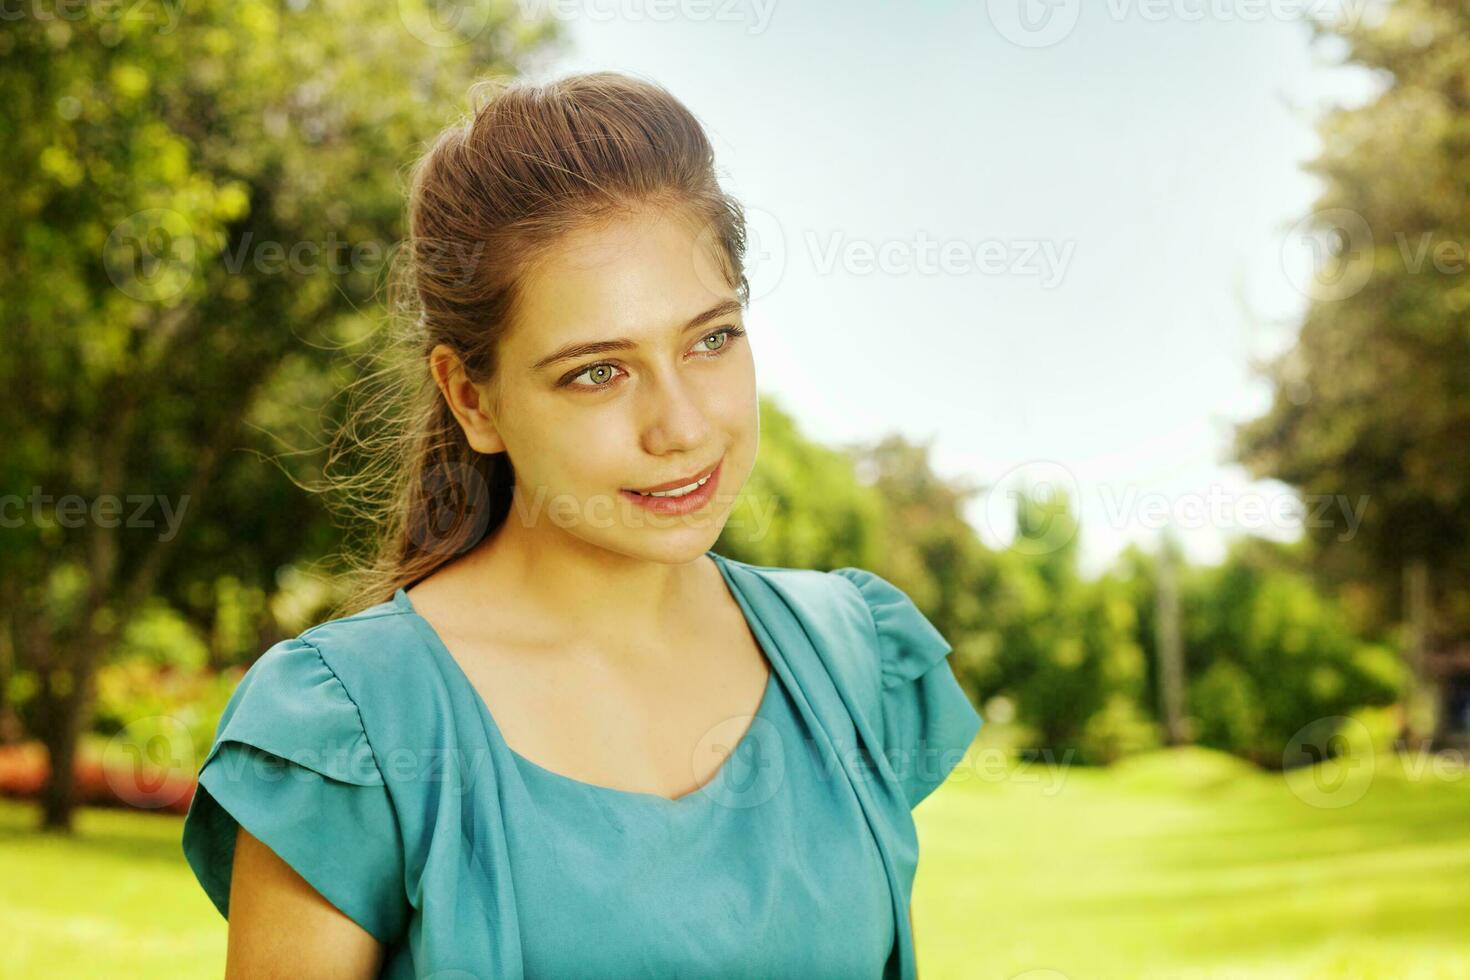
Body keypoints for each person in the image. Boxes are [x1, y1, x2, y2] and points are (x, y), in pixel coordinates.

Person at [180, 70, 983, 979]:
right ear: (472, 398)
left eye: (710, 339)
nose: (681, 427)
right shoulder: (350, 729)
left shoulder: (849, 659)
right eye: (598, 371)